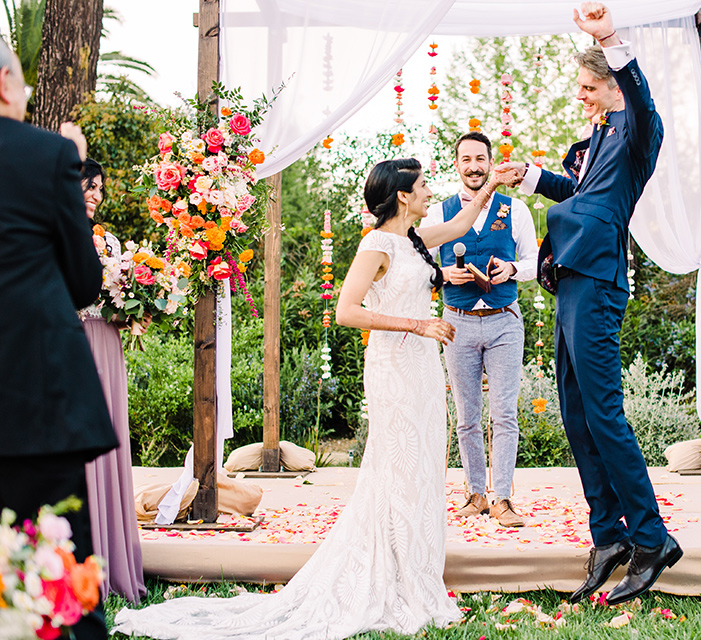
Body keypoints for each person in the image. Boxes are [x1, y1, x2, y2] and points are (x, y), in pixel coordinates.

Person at [112, 158, 519, 639]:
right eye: (424, 185)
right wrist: (418, 324)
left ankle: (416, 574)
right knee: (397, 466)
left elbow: (460, 222)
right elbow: (347, 311)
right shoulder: (376, 244)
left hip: (424, 366)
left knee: (423, 467)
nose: (431, 191)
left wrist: (491, 183)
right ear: (404, 195)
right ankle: (394, 576)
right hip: (395, 363)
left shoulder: (414, 238)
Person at [496, 2, 679, 605]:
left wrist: (612, 39)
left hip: (598, 281)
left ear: (612, 86)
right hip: (569, 279)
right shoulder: (598, 139)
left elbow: (641, 100)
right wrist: (530, 177)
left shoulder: (636, 131)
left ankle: (651, 539)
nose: (581, 97)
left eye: (588, 87)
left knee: (604, 414)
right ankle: (609, 538)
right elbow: (577, 191)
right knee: (576, 415)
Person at [0, 38, 117, 639]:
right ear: (4, 84)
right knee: (65, 571)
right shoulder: (47, 155)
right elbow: (81, 282)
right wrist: (67, 167)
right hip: (39, 395)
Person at [421, 131, 538, 527]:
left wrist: (512, 270)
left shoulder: (516, 209)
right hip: (458, 322)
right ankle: (475, 493)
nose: (473, 166)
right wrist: (442, 275)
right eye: (466, 159)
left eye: (480, 159)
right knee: (467, 416)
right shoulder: (439, 212)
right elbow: (418, 265)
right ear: (456, 164)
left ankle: (503, 498)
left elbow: (536, 261)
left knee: (505, 414)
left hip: (505, 320)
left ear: (491, 163)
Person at [79, 158, 148, 605]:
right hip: (72, 343)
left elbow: (115, 295)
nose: (95, 194)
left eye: (100, 188)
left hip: (106, 342)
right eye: (87, 185)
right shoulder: (52, 234)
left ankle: (113, 558)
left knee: (109, 440)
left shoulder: (107, 240)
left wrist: (136, 306)